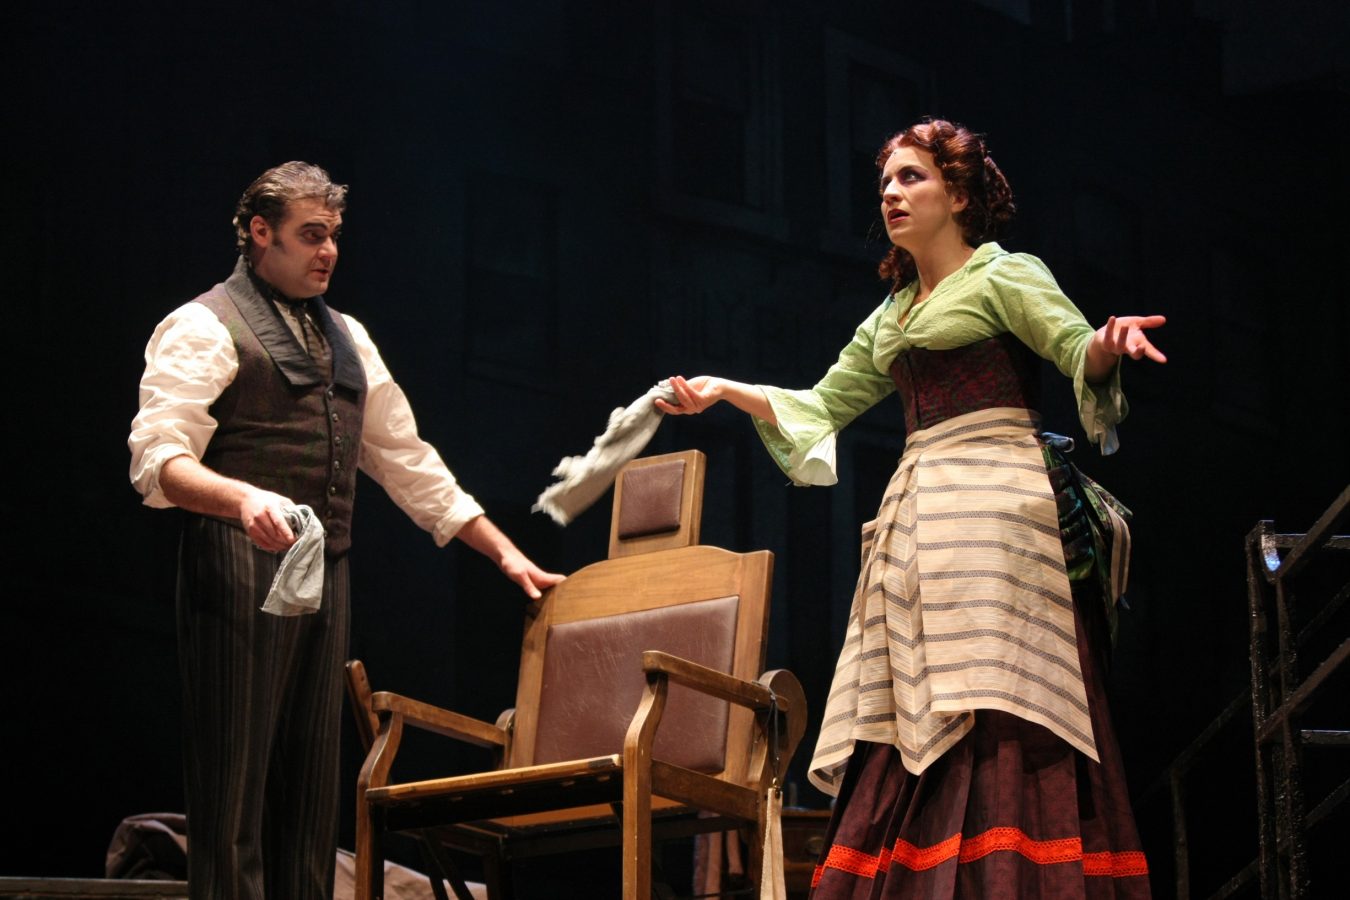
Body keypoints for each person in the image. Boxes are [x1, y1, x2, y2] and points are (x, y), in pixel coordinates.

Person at [658, 119, 1160, 898]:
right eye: (886, 181)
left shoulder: (1004, 275)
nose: (891, 193)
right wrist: (724, 390)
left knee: (998, 696)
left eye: (912, 177)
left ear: (957, 195)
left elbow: (1073, 347)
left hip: (998, 510)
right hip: (920, 518)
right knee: (911, 707)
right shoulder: (890, 316)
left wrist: (1106, 343)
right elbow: (821, 405)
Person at [128, 161, 564, 900]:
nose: (328, 250)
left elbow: (405, 459)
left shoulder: (349, 337)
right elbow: (157, 460)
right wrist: (240, 498)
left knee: (308, 789)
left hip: (324, 569)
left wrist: (502, 551)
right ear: (260, 233)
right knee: (234, 783)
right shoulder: (204, 324)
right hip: (236, 564)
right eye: (310, 235)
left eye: (333, 235)